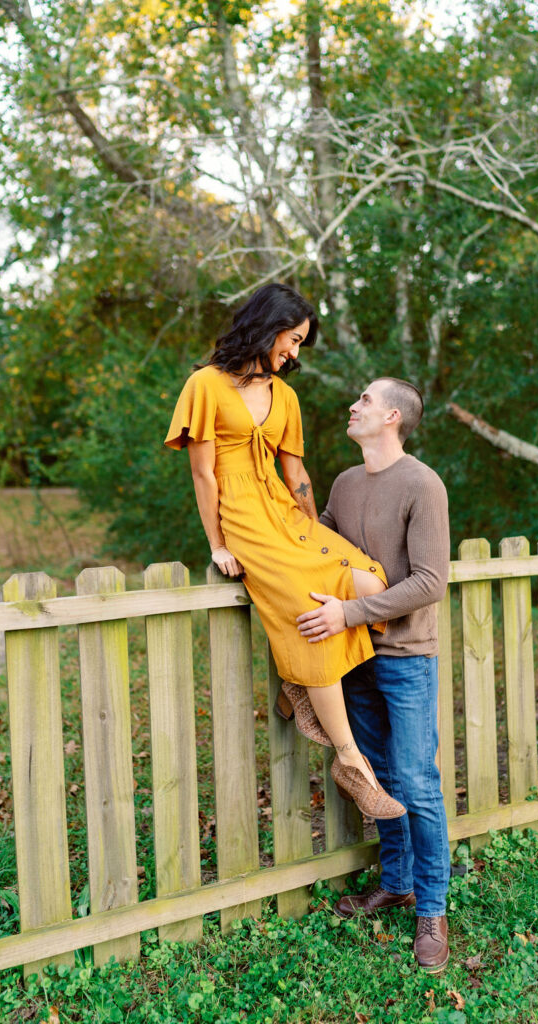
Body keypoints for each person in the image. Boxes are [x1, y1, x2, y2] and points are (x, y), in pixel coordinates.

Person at [164, 283, 405, 819]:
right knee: (312, 609)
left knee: (369, 581)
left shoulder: (286, 397)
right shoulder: (205, 385)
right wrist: (218, 544)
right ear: (268, 325)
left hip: (286, 514)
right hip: (244, 519)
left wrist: (317, 532)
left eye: (299, 343)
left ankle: (296, 686)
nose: (295, 352)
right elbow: (203, 475)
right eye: (293, 339)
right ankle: (351, 763)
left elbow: (296, 474)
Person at [296, 377, 451, 973]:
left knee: (415, 781)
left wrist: (348, 612)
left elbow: (429, 581)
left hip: (406, 659)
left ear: (391, 416)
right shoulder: (344, 482)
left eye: (364, 399)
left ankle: (432, 910)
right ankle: (397, 881)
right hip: (352, 658)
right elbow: (319, 543)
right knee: (377, 776)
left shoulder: (421, 484)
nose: (353, 406)